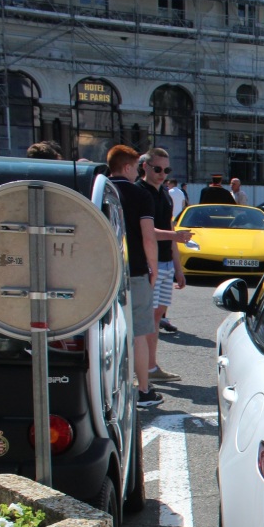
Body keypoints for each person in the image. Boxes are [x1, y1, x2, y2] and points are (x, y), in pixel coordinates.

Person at [107, 145, 163, 408]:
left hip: (104, 271)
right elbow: (148, 237)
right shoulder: (140, 195)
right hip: (136, 270)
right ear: (129, 167)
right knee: (139, 332)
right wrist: (153, 268)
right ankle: (142, 390)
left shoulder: (99, 191)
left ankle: (107, 389)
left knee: (105, 330)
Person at [137, 149, 193, 383]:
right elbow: (147, 232)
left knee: (157, 315)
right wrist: (174, 235)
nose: (162, 174)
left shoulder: (166, 195)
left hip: (166, 262)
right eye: (157, 169)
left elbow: (169, 229)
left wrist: (178, 269)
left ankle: (151, 366)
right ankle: (146, 367)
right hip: (150, 263)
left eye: (166, 170)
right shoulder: (140, 193)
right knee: (148, 317)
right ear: (145, 167)